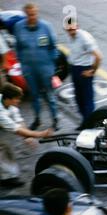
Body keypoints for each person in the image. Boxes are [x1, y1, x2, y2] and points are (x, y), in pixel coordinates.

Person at [13, 3, 59, 131]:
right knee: (34, 96)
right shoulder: (19, 27)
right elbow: (17, 48)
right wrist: (22, 64)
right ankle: (37, 119)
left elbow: (54, 47)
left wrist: (51, 66)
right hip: (29, 70)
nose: (32, 17)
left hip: (45, 70)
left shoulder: (46, 27)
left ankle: (55, 119)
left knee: (50, 95)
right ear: (26, 14)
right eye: (29, 14)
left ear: (37, 13)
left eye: (34, 14)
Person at [0, 83, 52, 188]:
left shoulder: (10, 104)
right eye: (16, 99)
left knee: (4, 150)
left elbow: (19, 122)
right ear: (8, 99)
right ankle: (7, 179)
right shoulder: (1, 113)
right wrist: (41, 134)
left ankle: (8, 177)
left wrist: (28, 136)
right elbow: (18, 130)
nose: (19, 101)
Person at [64, 19, 102, 129]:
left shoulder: (85, 38)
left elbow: (98, 57)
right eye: (69, 29)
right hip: (74, 69)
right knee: (78, 99)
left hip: (84, 70)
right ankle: (86, 121)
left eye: (73, 28)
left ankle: (88, 124)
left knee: (87, 100)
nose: (71, 31)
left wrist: (92, 71)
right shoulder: (70, 37)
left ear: (77, 26)